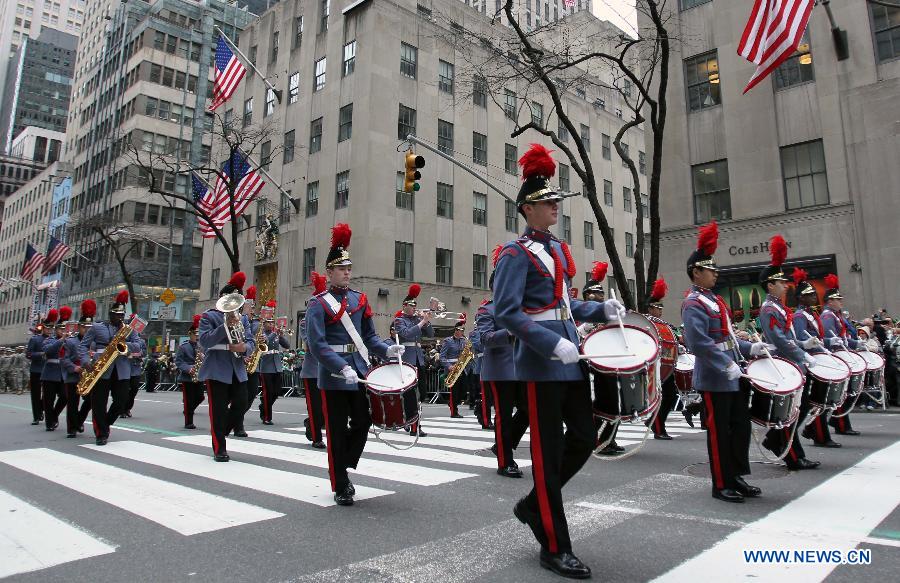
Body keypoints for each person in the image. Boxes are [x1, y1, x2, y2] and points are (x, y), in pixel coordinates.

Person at [493, 143, 624, 578]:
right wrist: (550, 345)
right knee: (548, 456)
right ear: (528, 208)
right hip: (540, 361)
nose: (555, 206)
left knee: (585, 437)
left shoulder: (557, 252)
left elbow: (564, 305)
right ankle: (553, 544)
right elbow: (507, 313)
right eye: (547, 201)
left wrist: (600, 310)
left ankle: (533, 505)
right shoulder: (515, 254)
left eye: (554, 200)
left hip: (570, 358)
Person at [306, 223, 403, 506]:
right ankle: (340, 484)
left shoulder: (359, 299)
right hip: (334, 374)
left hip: (359, 372)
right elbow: (317, 344)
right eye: (341, 268)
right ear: (329, 272)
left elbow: (370, 337)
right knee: (335, 429)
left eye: (349, 268)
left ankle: (343, 462)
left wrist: (388, 349)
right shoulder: (318, 304)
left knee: (364, 419)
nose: (347, 272)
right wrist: (340, 366)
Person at [681, 221, 772, 504]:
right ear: (696, 272)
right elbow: (698, 343)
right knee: (719, 432)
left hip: (733, 373)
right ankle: (721, 483)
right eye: (710, 269)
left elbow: (729, 338)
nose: (715, 273)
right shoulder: (693, 303)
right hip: (715, 376)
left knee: (740, 427)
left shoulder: (715, 301)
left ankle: (736, 475)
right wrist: (725, 364)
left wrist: (751, 347)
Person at [755, 240, 821, 471]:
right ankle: (793, 455)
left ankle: (776, 441)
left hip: (794, 363)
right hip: (785, 365)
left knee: (797, 410)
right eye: (781, 283)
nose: (786, 286)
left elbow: (789, 338)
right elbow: (780, 341)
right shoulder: (769, 309)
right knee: (791, 412)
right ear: (770, 285)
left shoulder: (781, 308)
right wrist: (803, 354)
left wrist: (805, 342)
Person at [476, 248, 528, 478]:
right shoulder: (487, 310)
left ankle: (503, 445)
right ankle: (505, 461)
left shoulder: (521, 309)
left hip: (522, 368)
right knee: (504, 415)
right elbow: (485, 339)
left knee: (528, 410)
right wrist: (510, 332)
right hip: (499, 370)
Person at [197, 272, 255, 461]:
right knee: (218, 410)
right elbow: (204, 341)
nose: (235, 306)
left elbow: (250, 341)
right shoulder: (209, 316)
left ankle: (223, 431)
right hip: (217, 368)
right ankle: (219, 448)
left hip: (237, 368)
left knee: (241, 404)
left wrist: (244, 347)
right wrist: (225, 327)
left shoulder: (243, 319)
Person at [78, 291, 143, 446]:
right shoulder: (97, 327)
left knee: (121, 401)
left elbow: (138, 344)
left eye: (121, 315)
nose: (119, 318)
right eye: (116, 315)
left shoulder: (129, 329)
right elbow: (83, 346)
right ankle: (101, 433)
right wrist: (86, 361)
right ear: (110, 314)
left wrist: (124, 344)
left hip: (121, 369)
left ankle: (105, 424)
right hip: (101, 368)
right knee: (99, 402)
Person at [578, 261, 623, 456]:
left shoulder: (608, 316)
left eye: (601, 294)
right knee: (602, 405)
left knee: (615, 403)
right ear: (587, 296)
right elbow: (575, 335)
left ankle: (610, 439)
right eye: (595, 294)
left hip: (611, 365)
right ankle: (599, 441)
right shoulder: (580, 314)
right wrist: (588, 325)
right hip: (590, 367)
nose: (600, 297)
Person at [816, 274, 863, 440]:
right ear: (829, 301)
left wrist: (855, 343)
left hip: (842, 354)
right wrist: (852, 345)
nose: (841, 301)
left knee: (844, 393)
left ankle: (840, 423)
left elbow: (844, 336)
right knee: (841, 394)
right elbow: (830, 340)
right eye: (837, 299)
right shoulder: (828, 316)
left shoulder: (836, 315)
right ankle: (839, 423)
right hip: (837, 356)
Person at [393, 283, 433, 436]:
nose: (414, 308)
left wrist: (426, 320)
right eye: (411, 305)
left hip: (419, 359)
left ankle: (410, 420)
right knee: (410, 395)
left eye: (415, 305)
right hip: (407, 360)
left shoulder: (418, 318)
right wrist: (421, 322)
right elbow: (407, 334)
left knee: (421, 393)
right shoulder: (399, 320)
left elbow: (430, 334)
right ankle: (414, 425)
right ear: (404, 305)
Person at [646, 278, 679, 440]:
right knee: (661, 397)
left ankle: (655, 422)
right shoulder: (646, 323)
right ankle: (658, 427)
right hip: (653, 366)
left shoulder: (664, 324)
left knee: (670, 396)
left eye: (661, 308)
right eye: (657, 308)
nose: (660, 311)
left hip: (666, 365)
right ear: (650, 308)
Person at [300, 272, 327, 449]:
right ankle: (317, 437)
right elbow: (310, 344)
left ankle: (311, 423)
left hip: (328, 369)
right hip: (311, 370)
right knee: (315, 407)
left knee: (326, 408)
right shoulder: (304, 323)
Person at [61, 300, 94, 438]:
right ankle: (71, 428)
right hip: (74, 376)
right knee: (73, 403)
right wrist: (75, 368)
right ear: (78, 327)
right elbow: (64, 359)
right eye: (84, 327)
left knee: (91, 400)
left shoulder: (95, 342)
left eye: (89, 327)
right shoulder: (70, 341)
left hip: (89, 376)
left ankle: (79, 420)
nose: (86, 330)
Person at [258, 300, 290, 425]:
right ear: (264, 324)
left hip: (277, 365)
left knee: (276, 392)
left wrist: (281, 336)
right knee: (268, 393)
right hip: (266, 366)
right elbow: (264, 343)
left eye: (272, 323)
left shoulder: (275, 334)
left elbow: (286, 345)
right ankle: (267, 417)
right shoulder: (261, 334)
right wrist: (274, 334)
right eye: (269, 323)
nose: (271, 325)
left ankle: (263, 407)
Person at [40, 308, 69, 431]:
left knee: (65, 396)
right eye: (61, 329)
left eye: (64, 329)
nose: (63, 331)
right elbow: (48, 351)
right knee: (49, 400)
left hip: (63, 373)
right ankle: (49, 423)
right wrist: (61, 341)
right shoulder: (49, 340)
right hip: (50, 373)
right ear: (56, 329)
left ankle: (54, 415)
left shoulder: (69, 341)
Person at [175, 315, 205, 430]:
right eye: (195, 334)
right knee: (188, 400)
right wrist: (189, 369)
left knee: (200, 397)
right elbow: (178, 362)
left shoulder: (202, 347)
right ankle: (188, 422)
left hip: (199, 376)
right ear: (190, 334)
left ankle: (189, 410)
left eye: (198, 335)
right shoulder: (183, 347)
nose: (197, 337)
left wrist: (203, 357)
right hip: (187, 377)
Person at [440, 322, 472, 418]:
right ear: (455, 330)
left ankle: (452, 403)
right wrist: (449, 366)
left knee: (463, 390)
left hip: (463, 368)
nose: (461, 332)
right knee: (455, 392)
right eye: (459, 330)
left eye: (463, 330)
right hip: (453, 369)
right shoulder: (447, 341)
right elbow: (442, 357)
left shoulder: (464, 341)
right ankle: (454, 412)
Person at [243, 285, 261, 434]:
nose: (252, 311)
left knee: (253, 392)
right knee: (240, 395)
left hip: (253, 364)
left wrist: (262, 339)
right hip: (239, 362)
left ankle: (238, 416)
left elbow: (258, 341)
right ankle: (237, 423)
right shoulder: (239, 321)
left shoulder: (256, 323)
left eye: (254, 308)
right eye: (250, 308)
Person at [26, 319, 50, 425]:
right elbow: (29, 354)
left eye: (51, 328)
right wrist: (40, 354)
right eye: (48, 328)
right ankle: (36, 416)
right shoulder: (35, 339)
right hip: (36, 369)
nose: (49, 330)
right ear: (43, 328)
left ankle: (41, 408)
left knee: (48, 394)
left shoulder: (53, 340)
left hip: (49, 370)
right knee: (35, 394)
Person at [122, 332, 147, 418]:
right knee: (123, 390)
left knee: (134, 389)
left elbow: (144, 352)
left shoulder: (141, 341)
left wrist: (137, 354)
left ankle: (128, 407)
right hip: (124, 366)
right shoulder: (122, 339)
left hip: (135, 367)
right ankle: (122, 409)